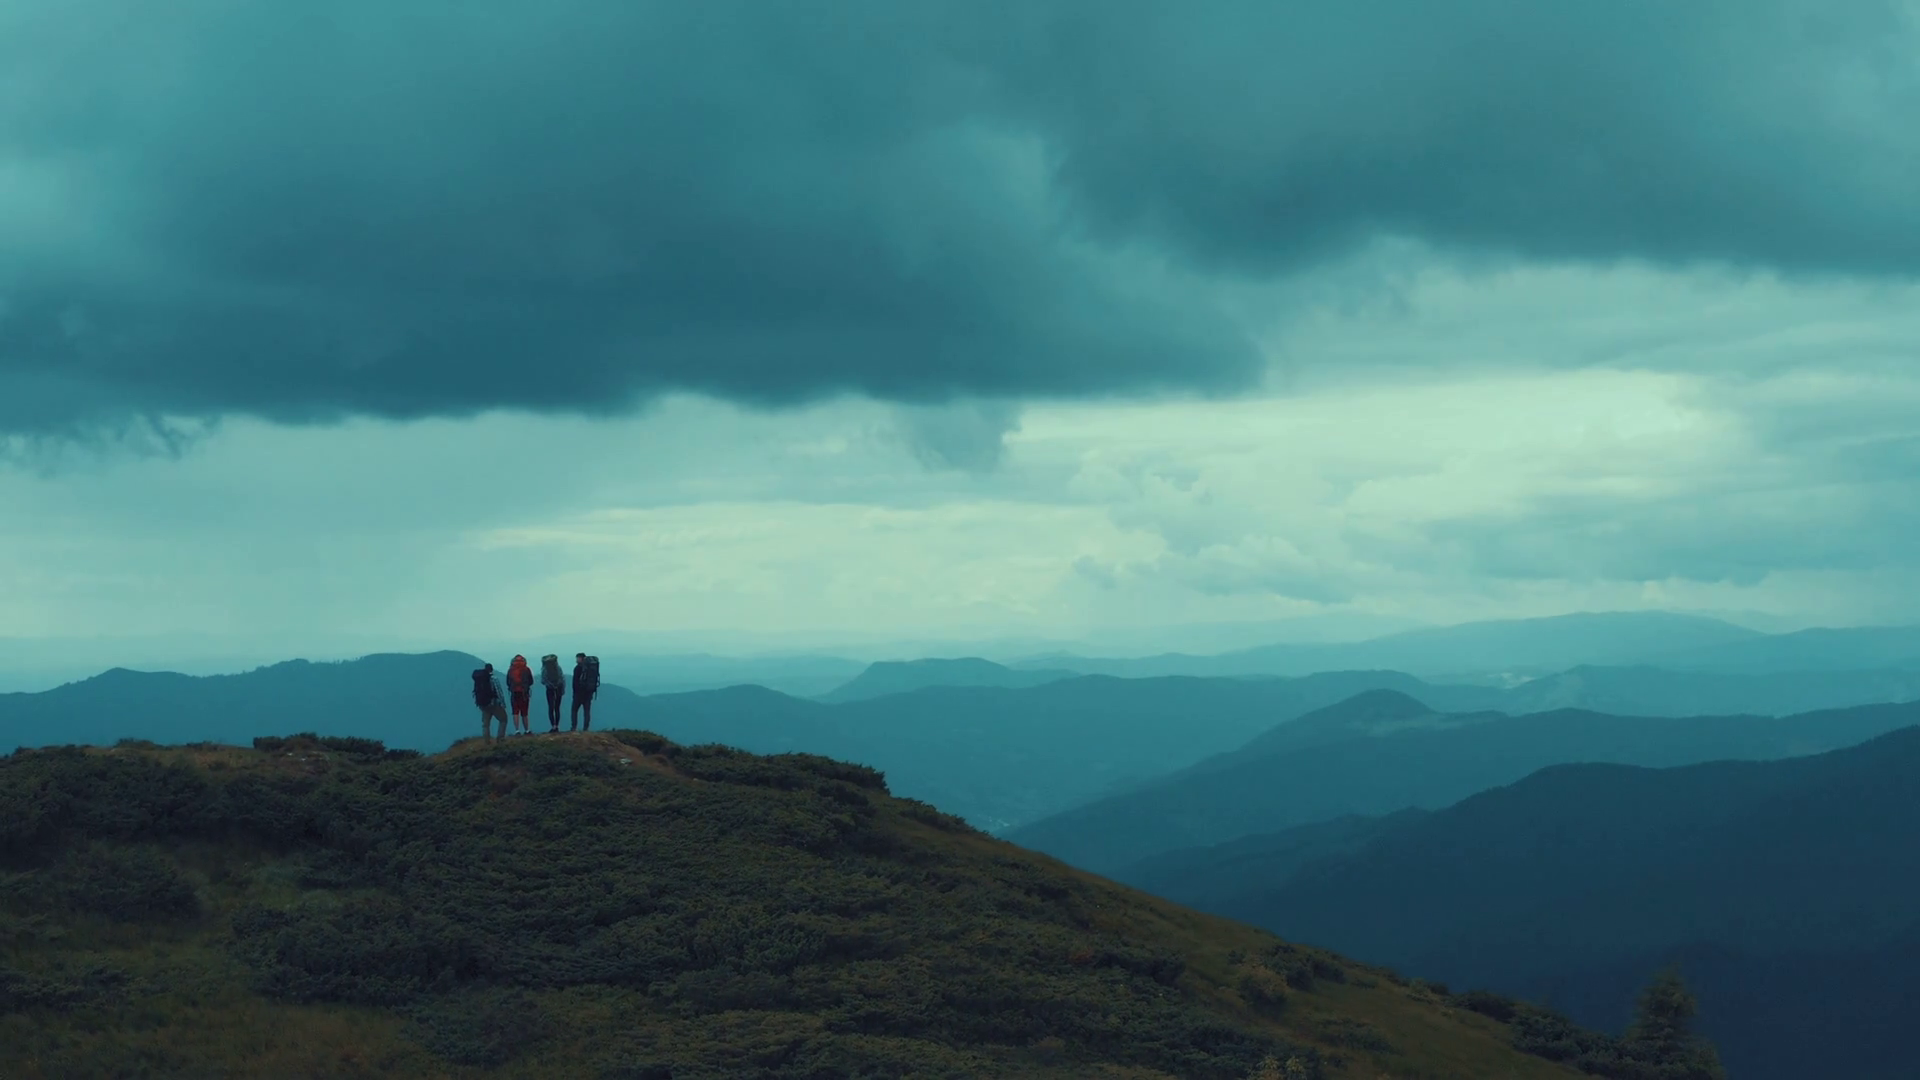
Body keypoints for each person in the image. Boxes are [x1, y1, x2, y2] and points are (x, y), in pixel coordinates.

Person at [472, 662, 509, 742]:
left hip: (483, 704)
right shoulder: (493, 678)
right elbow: (499, 692)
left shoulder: (479, 679)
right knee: (503, 719)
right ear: (492, 669)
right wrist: (503, 704)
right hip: (494, 704)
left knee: (485, 724)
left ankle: (487, 741)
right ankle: (500, 738)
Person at [505, 654, 534, 735]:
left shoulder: (511, 670)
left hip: (514, 693)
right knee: (524, 712)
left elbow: (508, 682)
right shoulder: (526, 669)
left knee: (515, 712)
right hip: (524, 693)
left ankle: (517, 730)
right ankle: (527, 730)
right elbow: (531, 681)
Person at [570, 651, 600, 731]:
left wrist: (575, 693)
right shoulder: (591, 668)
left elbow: (575, 682)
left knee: (574, 710)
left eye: (577, 658)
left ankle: (574, 727)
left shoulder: (578, 668)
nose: (576, 660)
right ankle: (586, 728)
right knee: (586, 711)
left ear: (581, 658)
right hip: (588, 692)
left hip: (579, 693)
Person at [540, 654, 566, 733]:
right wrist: (561, 688)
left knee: (551, 708)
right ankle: (557, 726)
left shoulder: (545, 669)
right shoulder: (558, 667)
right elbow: (562, 678)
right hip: (559, 688)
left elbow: (543, 680)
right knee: (557, 708)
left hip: (550, 689)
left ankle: (553, 726)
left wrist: (550, 685)